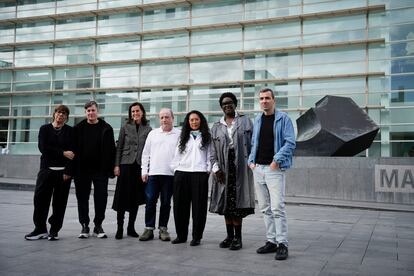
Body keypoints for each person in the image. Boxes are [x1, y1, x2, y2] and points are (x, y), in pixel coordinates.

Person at [248, 88, 296, 261]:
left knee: (277, 208)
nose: (264, 101)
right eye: (261, 98)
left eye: (267, 98)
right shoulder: (258, 119)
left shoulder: (284, 119)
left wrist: (276, 160)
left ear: (274, 100)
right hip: (258, 168)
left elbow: (290, 143)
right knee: (265, 208)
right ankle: (271, 241)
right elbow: (254, 143)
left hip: (274, 169)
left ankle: (282, 244)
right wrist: (251, 162)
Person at [209, 92, 255, 251]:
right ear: (221, 107)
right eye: (224, 104)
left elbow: (253, 143)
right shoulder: (216, 126)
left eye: (230, 102)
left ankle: (238, 238)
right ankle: (229, 236)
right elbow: (212, 150)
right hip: (223, 168)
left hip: (240, 166)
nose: (227, 105)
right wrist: (216, 169)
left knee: (237, 203)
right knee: (226, 203)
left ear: (235, 104)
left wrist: (252, 162)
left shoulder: (246, 121)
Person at [25, 105, 74, 241]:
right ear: (54, 114)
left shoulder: (70, 131)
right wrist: (63, 153)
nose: (61, 115)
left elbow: (73, 153)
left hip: (63, 173)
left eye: (64, 113)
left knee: (59, 203)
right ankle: (40, 229)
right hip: (46, 171)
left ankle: (54, 230)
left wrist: (69, 171)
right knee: (40, 200)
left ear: (67, 117)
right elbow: (43, 148)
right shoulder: (44, 129)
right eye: (59, 112)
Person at [73, 101, 116, 239]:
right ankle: (84, 225)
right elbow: (73, 150)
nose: (91, 113)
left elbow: (112, 150)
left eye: (93, 110)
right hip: (82, 170)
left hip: (101, 170)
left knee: (101, 198)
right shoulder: (78, 128)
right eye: (88, 111)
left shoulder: (106, 128)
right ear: (85, 112)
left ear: (98, 111)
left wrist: (112, 168)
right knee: (82, 198)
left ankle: (98, 225)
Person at [170, 110, 211, 246]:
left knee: (199, 208)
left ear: (201, 121)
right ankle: (181, 235)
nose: (194, 122)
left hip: (199, 174)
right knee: (180, 207)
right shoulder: (183, 137)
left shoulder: (206, 137)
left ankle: (196, 237)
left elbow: (210, 156)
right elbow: (176, 156)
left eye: (196, 119)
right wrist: (176, 169)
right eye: (191, 120)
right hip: (182, 174)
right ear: (188, 122)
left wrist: (207, 170)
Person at [140, 108, 180, 242]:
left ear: (172, 118)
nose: (164, 120)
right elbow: (145, 154)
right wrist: (144, 171)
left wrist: (176, 170)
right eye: (162, 117)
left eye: (167, 117)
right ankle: (149, 228)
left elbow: (181, 155)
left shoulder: (179, 134)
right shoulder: (153, 134)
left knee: (166, 203)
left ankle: (163, 228)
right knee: (150, 201)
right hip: (153, 174)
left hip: (170, 175)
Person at [112, 102, 152, 239]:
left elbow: (150, 150)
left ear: (142, 112)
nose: (135, 113)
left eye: (137, 111)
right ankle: (119, 228)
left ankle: (131, 228)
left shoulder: (148, 128)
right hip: (125, 165)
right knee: (122, 198)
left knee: (135, 198)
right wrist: (116, 165)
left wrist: (147, 168)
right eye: (133, 111)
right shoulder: (125, 127)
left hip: (139, 166)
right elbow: (119, 147)